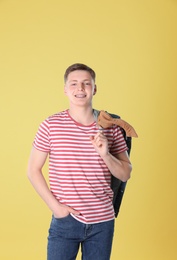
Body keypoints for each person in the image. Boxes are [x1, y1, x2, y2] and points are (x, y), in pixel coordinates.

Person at [27, 63, 132, 260]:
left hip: (103, 221)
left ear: (95, 88)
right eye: (74, 84)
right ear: (66, 90)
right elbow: (33, 170)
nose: (80, 88)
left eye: (86, 83)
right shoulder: (51, 125)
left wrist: (105, 154)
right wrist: (56, 208)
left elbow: (125, 173)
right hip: (66, 220)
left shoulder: (111, 126)